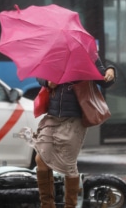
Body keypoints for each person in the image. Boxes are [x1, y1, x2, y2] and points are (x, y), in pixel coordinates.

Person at [33, 58, 116, 208]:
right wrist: (47, 81)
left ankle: (70, 205)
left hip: (74, 119)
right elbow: (40, 75)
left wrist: (110, 70)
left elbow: (105, 81)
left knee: (68, 164)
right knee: (41, 159)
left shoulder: (86, 56)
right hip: (52, 117)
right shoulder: (54, 56)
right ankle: (47, 204)